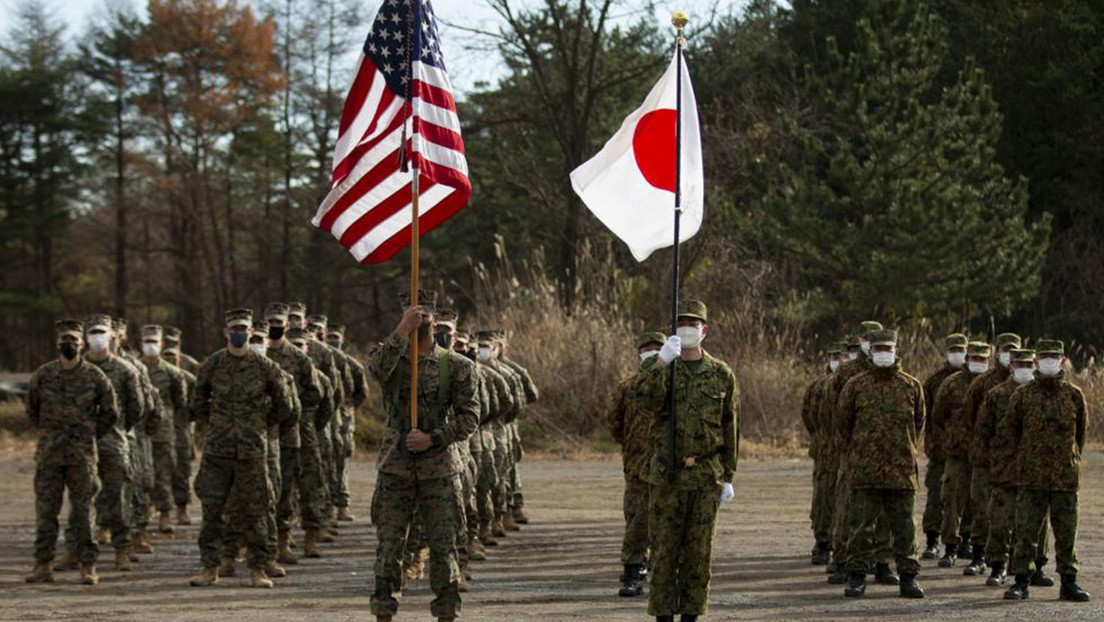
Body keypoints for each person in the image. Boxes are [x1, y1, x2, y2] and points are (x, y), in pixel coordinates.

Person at [367, 290, 479, 622]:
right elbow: (376, 371)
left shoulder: (458, 366)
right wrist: (401, 330)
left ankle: (446, 611)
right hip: (395, 466)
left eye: (425, 314)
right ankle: (384, 610)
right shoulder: (390, 358)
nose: (419, 320)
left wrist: (434, 438)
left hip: (439, 468)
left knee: (445, 545)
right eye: (411, 313)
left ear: (435, 318)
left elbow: (469, 418)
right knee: (390, 545)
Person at [639, 300, 738, 622]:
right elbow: (644, 400)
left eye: (692, 324)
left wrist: (729, 475)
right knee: (664, 552)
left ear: (704, 330)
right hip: (667, 474)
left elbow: (730, 426)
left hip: (706, 476)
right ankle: (663, 616)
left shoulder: (721, 373)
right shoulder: (661, 366)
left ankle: (691, 616)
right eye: (681, 324)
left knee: (699, 554)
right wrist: (661, 363)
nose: (686, 329)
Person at [187, 309, 296, 589]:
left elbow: (285, 405)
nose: (238, 333)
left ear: (250, 331)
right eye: (234, 328)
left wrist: (259, 425)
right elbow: (197, 402)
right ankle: (209, 567)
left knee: (256, 511)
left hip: (252, 450)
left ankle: (258, 568)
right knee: (212, 510)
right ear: (226, 332)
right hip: (218, 451)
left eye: (243, 329)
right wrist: (218, 425)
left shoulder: (265, 366)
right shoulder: (213, 364)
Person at [24, 320, 119, 586]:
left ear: (82, 344)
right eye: (65, 340)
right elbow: (31, 409)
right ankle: (43, 565)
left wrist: (89, 434)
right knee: (46, 513)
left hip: (82, 456)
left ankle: (87, 566)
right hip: (49, 456)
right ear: (57, 343)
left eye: (74, 340)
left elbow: (110, 412)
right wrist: (49, 433)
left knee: (83, 514)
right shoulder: (44, 375)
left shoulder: (95, 376)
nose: (69, 344)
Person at [836, 329, 925, 599]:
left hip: (901, 470)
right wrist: (861, 453)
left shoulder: (911, 386)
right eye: (878, 349)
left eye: (888, 349)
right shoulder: (856, 386)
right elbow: (843, 425)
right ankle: (856, 576)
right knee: (861, 527)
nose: (884, 354)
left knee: (905, 527)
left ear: (897, 351)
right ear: (870, 352)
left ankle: (908, 578)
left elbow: (919, 423)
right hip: (865, 470)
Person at [1004, 340, 1091, 602]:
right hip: (1031, 477)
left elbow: (1080, 434)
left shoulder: (1074, 395)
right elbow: (1012, 432)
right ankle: (1021, 581)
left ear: (1063, 360)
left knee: (1066, 532)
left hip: (1065, 478)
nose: (1049, 362)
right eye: (1044, 357)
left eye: (1054, 357)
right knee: (1026, 532)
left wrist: (1070, 460)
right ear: (1036, 361)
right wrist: (1026, 460)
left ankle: (1069, 582)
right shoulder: (1023, 395)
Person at [977, 348, 1047, 587]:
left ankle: (1035, 567)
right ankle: (998, 566)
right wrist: (993, 460)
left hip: (1036, 471)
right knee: (1000, 521)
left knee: (1035, 524)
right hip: (1005, 469)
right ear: (1011, 366)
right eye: (1020, 364)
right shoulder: (996, 395)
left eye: (1029, 364)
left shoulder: (1044, 395)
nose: (1025, 369)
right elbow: (983, 430)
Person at [609, 331, 664, 597]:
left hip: (669, 466)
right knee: (637, 520)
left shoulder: (676, 386)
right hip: (637, 466)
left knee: (667, 519)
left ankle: (664, 568)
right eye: (646, 348)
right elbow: (614, 423)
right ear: (639, 353)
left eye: (657, 347)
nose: (651, 351)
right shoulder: (627, 388)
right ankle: (632, 570)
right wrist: (633, 447)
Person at [961, 333, 1021, 576]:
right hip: (986, 459)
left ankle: (1017, 562)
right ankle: (978, 557)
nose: (1009, 355)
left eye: (1014, 351)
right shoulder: (983, 384)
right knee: (982, 509)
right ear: (997, 352)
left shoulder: (1029, 386)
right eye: (1005, 350)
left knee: (1017, 514)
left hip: (1019, 461)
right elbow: (972, 419)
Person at [932, 341, 991, 567]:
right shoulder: (951, 383)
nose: (979, 363)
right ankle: (950, 547)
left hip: (984, 456)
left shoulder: (994, 384)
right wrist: (952, 438)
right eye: (975, 358)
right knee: (951, 501)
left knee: (980, 503)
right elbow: (937, 416)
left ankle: (974, 547)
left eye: (983, 359)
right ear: (967, 359)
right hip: (957, 454)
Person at [919, 333, 967, 559]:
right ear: (946, 353)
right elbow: (926, 416)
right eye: (953, 350)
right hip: (939, 450)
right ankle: (932, 540)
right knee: (936, 496)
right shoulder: (934, 382)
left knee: (965, 498)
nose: (958, 354)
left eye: (961, 349)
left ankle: (964, 540)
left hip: (965, 452)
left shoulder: (976, 380)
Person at [801, 341, 843, 565]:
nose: (838, 361)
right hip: (825, 450)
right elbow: (808, 416)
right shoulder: (818, 386)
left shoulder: (854, 382)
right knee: (823, 498)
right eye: (834, 356)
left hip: (847, 450)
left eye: (842, 355)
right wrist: (821, 438)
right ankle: (823, 541)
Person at [325, 323, 368, 523]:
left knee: (342, 461)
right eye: (330, 337)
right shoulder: (319, 359)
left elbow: (361, 392)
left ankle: (342, 505)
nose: (333, 341)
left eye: (336, 337)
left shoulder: (351, 365)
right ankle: (326, 507)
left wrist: (347, 409)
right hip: (326, 420)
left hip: (343, 420)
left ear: (342, 339)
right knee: (324, 462)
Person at [162, 325, 199, 525]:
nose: (170, 347)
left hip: (182, 426)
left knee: (182, 469)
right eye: (166, 343)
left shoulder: (189, 367)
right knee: (161, 470)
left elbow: (197, 399)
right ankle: (163, 510)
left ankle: (182, 507)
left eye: (173, 343)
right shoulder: (154, 367)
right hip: (160, 428)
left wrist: (190, 419)